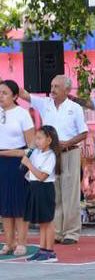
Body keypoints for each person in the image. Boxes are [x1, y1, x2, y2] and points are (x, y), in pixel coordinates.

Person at [20, 75, 88, 246]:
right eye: (52, 86)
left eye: (56, 87)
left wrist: (68, 142)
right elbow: (24, 95)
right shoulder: (45, 104)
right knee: (53, 193)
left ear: (67, 90)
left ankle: (71, 232)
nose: (52, 90)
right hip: (50, 154)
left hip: (69, 152)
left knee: (70, 194)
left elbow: (84, 133)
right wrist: (6, 84)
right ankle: (56, 231)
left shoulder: (75, 108)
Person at [0, 80, 35, 257]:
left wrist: (10, 153)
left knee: (19, 204)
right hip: (1, 164)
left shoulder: (22, 114)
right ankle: (9, 241)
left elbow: (31, 146)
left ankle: (22, 242)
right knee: (5, 203)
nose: (1, 96)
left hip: (18, 162)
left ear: (15, 96)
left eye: (5, 93)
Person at [20, 125, 60, 262]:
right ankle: (42, 249)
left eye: (39, 138)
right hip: (34, 188)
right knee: (42, 222)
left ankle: (50, 251)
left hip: (45, 189)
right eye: (36, 138)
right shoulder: (36, 152)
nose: (36, 141)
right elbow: (25, 154)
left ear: (49, 140)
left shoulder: (51, 156)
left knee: (48, 221)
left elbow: (42, 176)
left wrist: (29, 165)